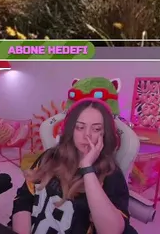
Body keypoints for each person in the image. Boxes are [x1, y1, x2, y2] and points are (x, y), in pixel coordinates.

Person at [10, 99, 130, 234]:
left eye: (96, 129)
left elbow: (112, 231)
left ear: (105, 134)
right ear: (71, 130)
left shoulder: (111, 175)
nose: (87, 135)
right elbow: (24, 199)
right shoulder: (49, 157)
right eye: (80, 127)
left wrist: (87, 168)